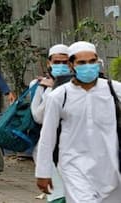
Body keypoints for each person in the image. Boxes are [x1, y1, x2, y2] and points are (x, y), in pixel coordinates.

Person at [36, 41, 121, 202]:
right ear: (71, 65)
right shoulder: (59, 96)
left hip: (109, 165)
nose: (88, 66)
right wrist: (43, 172)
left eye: (92, 61)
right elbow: (47, 136)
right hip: (73, 165)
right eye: (82, 62)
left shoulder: (113, 89)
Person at [31, 44, 70, 203]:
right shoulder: (38, 85)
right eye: (57, 62)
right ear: (49, 63)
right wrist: (51, 91)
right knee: (57, 195)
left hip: (74, 146)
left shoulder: (78, 85)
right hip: (48, 146)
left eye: (65, 62)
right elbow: (38, 117)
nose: (61, 66)